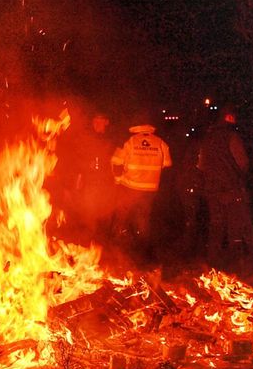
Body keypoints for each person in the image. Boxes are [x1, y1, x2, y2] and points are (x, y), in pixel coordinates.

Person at [197, 105, 253, 272]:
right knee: (235, 225)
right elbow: (243, 162)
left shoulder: (207, 138)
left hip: (212, 189)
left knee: (216, 225)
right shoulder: (232, 136)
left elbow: (201, 165)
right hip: (231, 188)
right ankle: (236, 265)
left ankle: (212, 263)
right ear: (229, 118)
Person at [52, 110, 118, 244]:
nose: (97, 124)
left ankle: (103, 241)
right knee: (89, 211)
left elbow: (116, 159)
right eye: (95, 122)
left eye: (100, 122)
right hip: (90, 180)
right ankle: (88, 240)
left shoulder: (112, 139)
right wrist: (85, 167)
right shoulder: (86, 138)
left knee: (105, 212)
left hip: (106, 181)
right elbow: (76, 159)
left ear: (106, 122)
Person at [110, 120, 172, 261]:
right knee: (143, 220)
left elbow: (116, 162)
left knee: (121, 218)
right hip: (150, 189)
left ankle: (115, 250)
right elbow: (167, 164)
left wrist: (118, 180)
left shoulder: (129, 141)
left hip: (129, 187)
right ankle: (143, 253)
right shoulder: (160, 142)